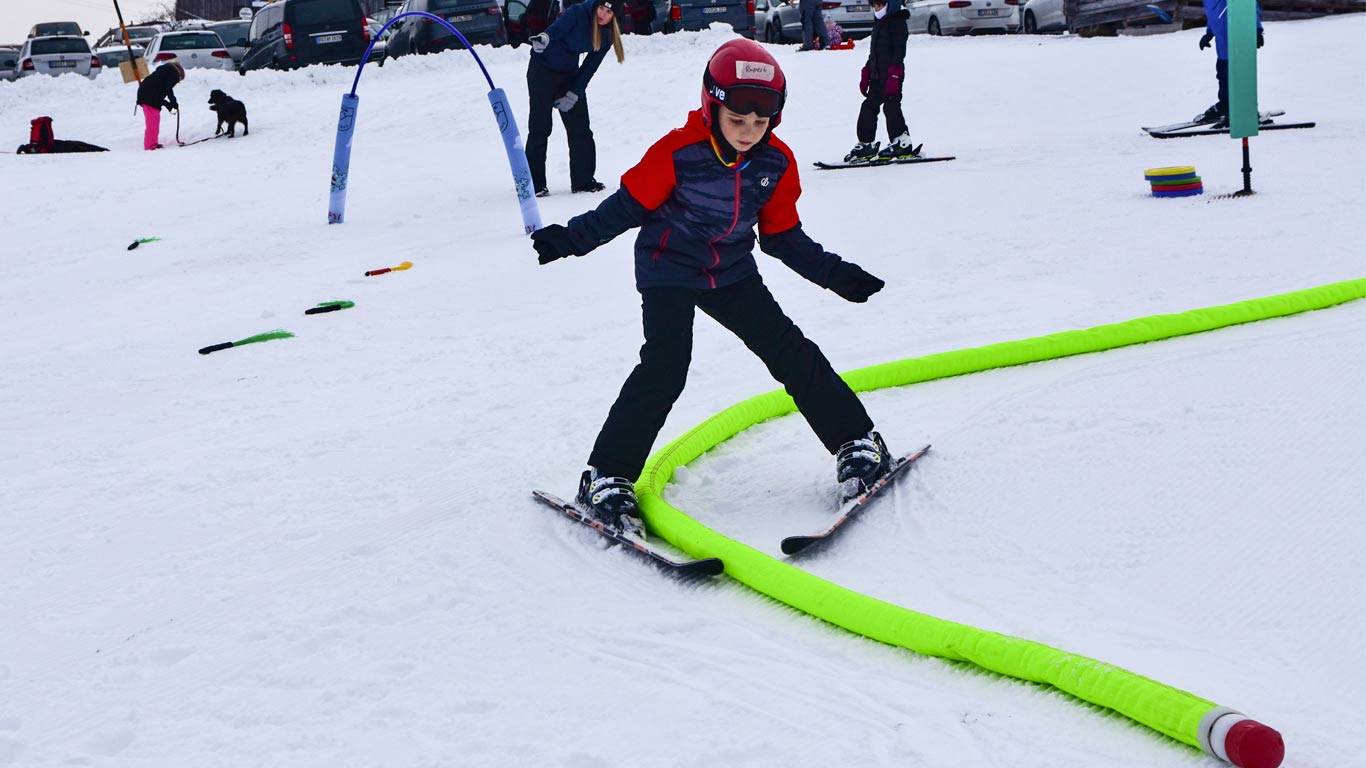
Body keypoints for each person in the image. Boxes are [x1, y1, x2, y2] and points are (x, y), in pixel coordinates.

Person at [530, 39, 893, 537]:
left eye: (760, 122)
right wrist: (570, 239)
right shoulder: (676, 152)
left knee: (790, 351)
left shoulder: (775, 164)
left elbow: (783, 237)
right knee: (665, 365)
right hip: (669, 268)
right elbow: (625, 209)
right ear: (713, 106)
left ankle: (858, 443)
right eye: (737, 119)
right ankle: (606, 476)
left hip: (731, 272)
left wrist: (833, 274)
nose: (748, 132)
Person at [525, 0, 625, 197]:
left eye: (608, 12)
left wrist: (574, 92)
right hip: (542, 69)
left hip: (568, 74)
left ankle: (583, 181)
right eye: (601, 8)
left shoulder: (607, 36)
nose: (602, 14)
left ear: (614, 17)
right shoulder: (578, 12)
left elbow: (589, 67)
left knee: (580, 129)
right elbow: (556, 30)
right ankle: (534, 185)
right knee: (540, 127)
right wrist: (544, 39)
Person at [844, 0, 914, 163]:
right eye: (874, 6)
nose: (877, 9)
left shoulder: (897, 22)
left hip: (891, 76)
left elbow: (899, 51)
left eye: (880, 5)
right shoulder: (879, 23)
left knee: (891, 106)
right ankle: (866, 143)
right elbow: (874, 52)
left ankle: (901, 141)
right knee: (868, 106)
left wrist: (895, 75)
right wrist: (867, 71)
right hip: (877, 75)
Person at [1195, 0, 1263, 126]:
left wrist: (1257, 29)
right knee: (1223, 76)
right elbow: (1214, 15)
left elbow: (1248, 6)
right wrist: (1209, 33)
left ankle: (1246, 111)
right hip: (1223, 46)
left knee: (1239, 79)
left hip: (1239, 42)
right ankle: (1226, 106)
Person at [136, 59, 184, 151]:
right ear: (179, 75)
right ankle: (150, 146)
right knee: (152, 123)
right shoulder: (173, 74)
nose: (176, 83)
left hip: (146, 95)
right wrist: (173, 102)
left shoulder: (164, 73)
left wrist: (168, 105)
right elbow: (168, 89)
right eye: (178, 81)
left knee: (154, 121)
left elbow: (158, 92)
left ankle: (152, 143)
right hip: (148, 97)